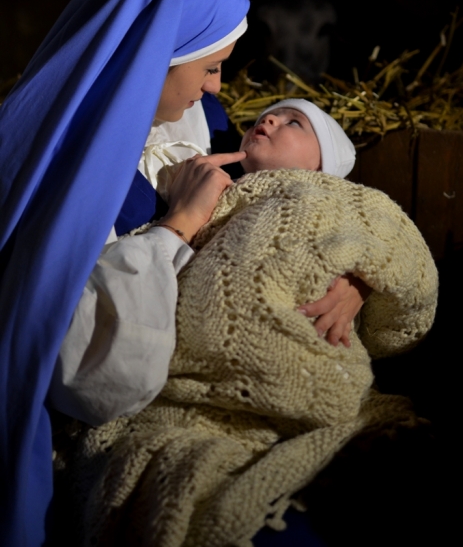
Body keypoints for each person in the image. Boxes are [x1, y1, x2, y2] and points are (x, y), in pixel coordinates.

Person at [0, 0, 364, 547]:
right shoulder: (57, 167)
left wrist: (352, 274)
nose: (221, 88)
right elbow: (94, 378)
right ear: (153, 59)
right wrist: (177, 226)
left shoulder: (198, 122)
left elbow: (314, 189)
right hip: (120, 417)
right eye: (210, 67)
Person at [71, 99, 438, 547]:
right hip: (193, 389)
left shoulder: (347, 200)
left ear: (324, 163)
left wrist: (365, 279)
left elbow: (412, 272)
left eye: (293, 122)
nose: (269, 120)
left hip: (316, 378)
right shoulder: (206, 198)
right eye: (268, 114)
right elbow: (150, 272)